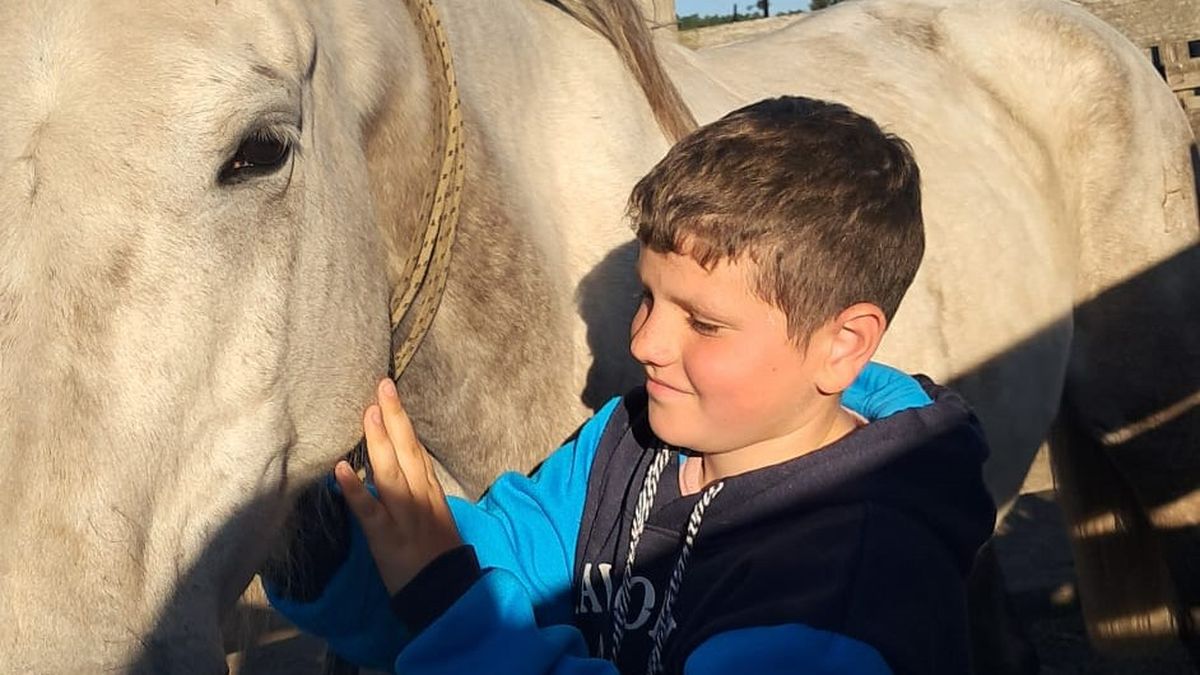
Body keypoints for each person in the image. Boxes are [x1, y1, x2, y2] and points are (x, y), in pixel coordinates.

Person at [265, 96, 996, 675]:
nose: (644, 342)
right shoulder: (632, 439)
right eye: (647, 295)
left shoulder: (841, 593)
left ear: (842, 345)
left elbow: (454, 595)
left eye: (703, 323)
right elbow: (506, 555)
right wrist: (319, 529)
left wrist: (452, 607)